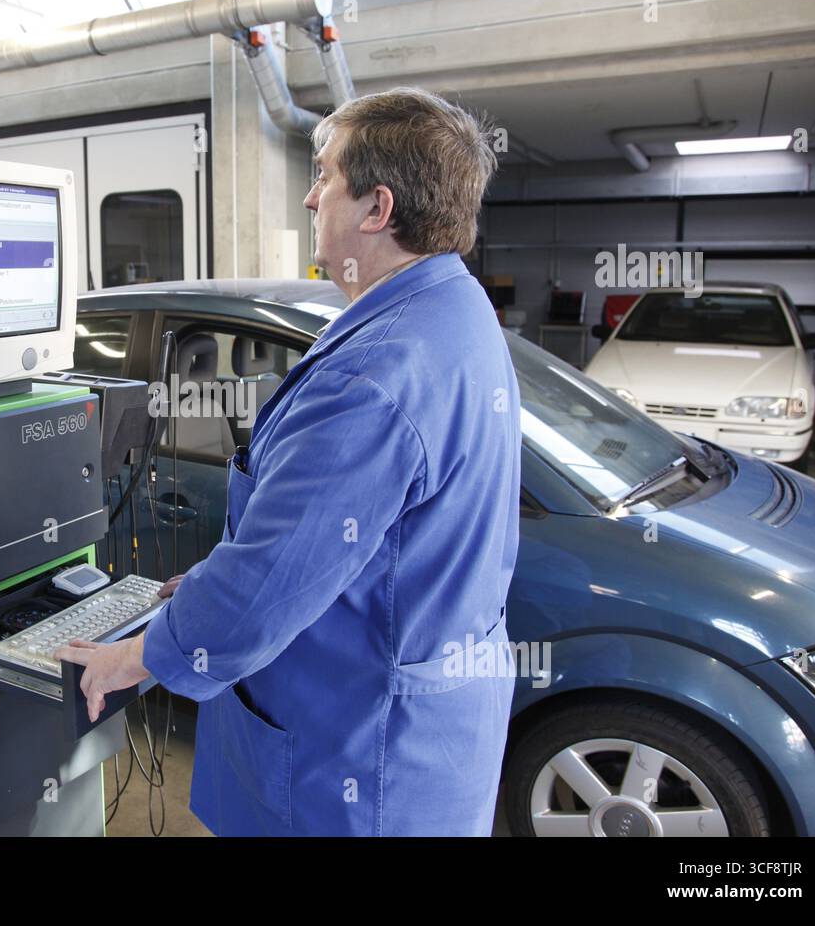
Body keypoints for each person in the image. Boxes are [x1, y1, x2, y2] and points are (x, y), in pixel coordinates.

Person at [54, 87, 521, 836]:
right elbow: (361, 540)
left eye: (325, 175)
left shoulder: (372, 374)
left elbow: (265, 586)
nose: (309, 198)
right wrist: (195, 588)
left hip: (352, 754)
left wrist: (128, 660)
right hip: (429, 728)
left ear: (376, 208)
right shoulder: (453, 311)